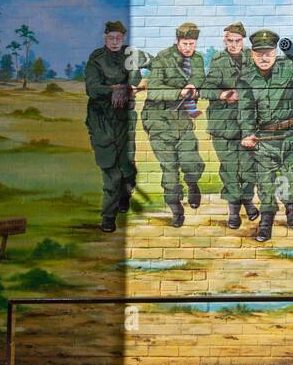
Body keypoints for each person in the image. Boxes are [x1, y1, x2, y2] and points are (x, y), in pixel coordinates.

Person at [237, 29, 293, 242]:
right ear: (252, 53)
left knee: (291, 177)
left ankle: (290, 207)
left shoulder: (287, 67)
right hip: (265, 138)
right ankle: (266, 221)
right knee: (265, 182)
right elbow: (245, 110)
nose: (264, 57)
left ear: (275, 53)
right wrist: (248, 134)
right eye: (259, 53)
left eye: (269, 52)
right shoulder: (246, 79)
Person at [141, 22, 206, 227]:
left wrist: (195, 87)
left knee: (191, 161)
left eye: (192, 43)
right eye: (185, 43)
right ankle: (176, 207)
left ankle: (193, 183)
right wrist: (179, 91)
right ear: (177, 41)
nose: (188, 48)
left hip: (182, 118)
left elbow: (199, 79)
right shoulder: (163, 59)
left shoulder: (197, 59)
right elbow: (153, 91)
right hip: (158, 120)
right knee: (169, 169)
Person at [202, 22, 259, 229]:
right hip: (223, 125)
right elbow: (205, 89)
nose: (234, 45)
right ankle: (234, 211)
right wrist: (223, 94)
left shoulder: (252, 58)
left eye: (237, 41)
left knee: (250, 168)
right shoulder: (218, 61)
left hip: (248, 123)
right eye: (229, 41)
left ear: (243, 41)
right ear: (224, 41)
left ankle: (247, 200)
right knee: (230, 168)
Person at [83, 20, 137, 232]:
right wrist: (114, 89)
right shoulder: (96, 59)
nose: (115, 41)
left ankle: (125, 196)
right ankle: (108, 218)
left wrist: (129, 86)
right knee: (111, 172)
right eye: (111, 38)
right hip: (101, 121)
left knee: (128, 169)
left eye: (119, 38)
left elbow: (137, 76)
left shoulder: (130, 55)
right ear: (105, 38)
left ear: (123, 38)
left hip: (123, 119)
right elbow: (92, 88)